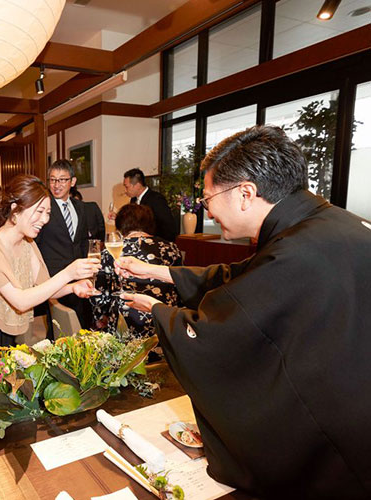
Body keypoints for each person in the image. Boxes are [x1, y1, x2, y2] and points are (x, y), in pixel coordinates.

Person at [115, 126, 371, 499]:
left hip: (339, 439)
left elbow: (223, 334)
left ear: (246, 193)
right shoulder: (329, 224)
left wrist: (158, 311)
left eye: (207, 199)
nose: (207, 210)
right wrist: (157, 272)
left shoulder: (295, 251)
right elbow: (243, 276)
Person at [0, 174, 99, 350]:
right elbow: (20, 301)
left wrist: (73, 287)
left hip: (5, 330)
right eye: (39, 212)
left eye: (47, 213)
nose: (45, 220)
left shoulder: (27, 245)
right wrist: (68, 273)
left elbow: (45, 287)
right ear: (15, 209)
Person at [91, 203, 181, 337]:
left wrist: (100, 317)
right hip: (166, 321)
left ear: (120, 225)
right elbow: (180, 287)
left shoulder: (111, 251)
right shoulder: (171, 248)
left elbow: (99, 293)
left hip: (126, 324)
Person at [35, 160, 93, 327]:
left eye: (62, 180)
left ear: (72, 182)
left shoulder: (80, 207)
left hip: (79, 276)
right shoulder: (43, 207)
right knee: (58, 325)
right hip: (54, 278)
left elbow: (82, 242)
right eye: (52, 180)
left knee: (81, 323)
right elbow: (36, 245)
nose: (56, 185)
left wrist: (87, 271)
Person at [121, 168, 178, 242]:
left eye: (126, 187)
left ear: (137, 185)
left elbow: (168, 227)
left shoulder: (156, 199)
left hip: (155, 244)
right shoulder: (133, 200)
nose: (125, 191)